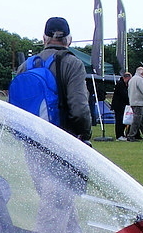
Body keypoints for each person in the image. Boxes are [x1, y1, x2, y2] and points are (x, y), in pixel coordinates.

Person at [15, 16, 92, 144]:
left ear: (44, 39)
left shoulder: (26, 66)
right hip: (63, 139)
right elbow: (79, 108)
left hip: (32, 139)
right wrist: (85, 133)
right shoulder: (73, 64)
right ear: (69, 40)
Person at [111, 72, 131, 140]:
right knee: (119, 121)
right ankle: (119, 135)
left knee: (123, 120)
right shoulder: (120, 84)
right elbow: (124, 95)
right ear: (126, 78)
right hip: (118, 106)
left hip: (122, 106)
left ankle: (122, 134)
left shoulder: (123, 84)